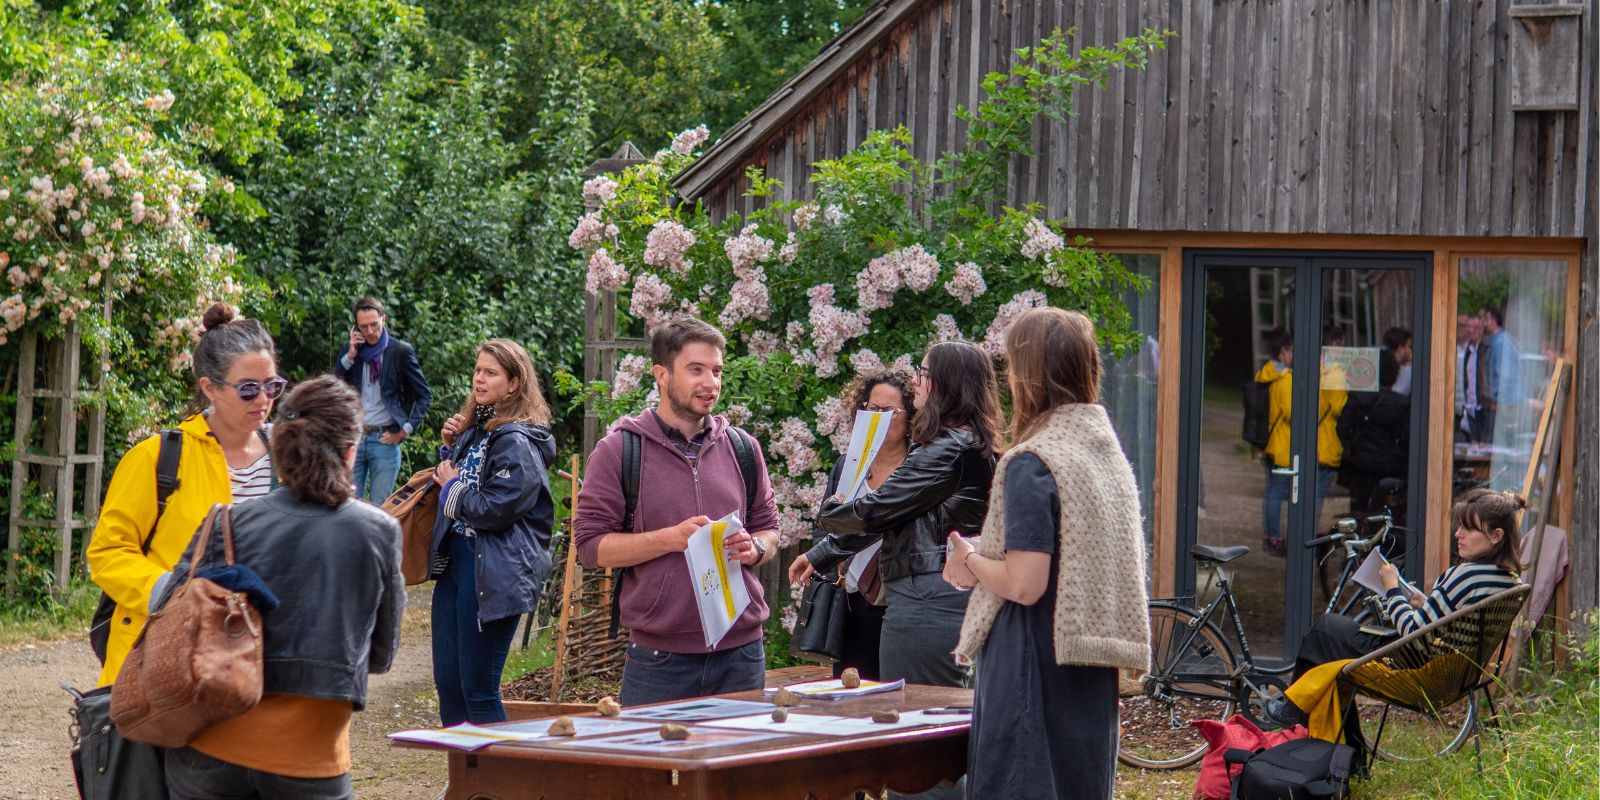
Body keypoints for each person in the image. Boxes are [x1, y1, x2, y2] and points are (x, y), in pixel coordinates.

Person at [159, 376, 405, 800]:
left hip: (207, 750)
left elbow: (167, 611)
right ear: (350, 452)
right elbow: (380, 655)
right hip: (309, 757)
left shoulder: (226, 522)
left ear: (281, 452)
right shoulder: (378, 532)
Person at [944, 308, 1150, 800]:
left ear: (1026, 373)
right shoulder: (1104, 452)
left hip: (1031, 661)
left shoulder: (1033, 461)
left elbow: (1024, 583)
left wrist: (968, 559)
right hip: (1086, 663)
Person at [573, 318, 781, 706]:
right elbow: (590, 547)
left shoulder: (743, 448)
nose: (711, 383)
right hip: (659, 659)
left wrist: (754, 547)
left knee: (737, 769)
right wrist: (669, 540)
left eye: (717, 371)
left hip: (743, 653)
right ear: (662, 375)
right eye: (696, 370)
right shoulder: (619, 451)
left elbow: (770, 531)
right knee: (645, 768)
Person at [86, 303, 282, 686]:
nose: (263, 400)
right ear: (209, 387)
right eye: (248, 389)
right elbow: (107, 553)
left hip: (262, 657)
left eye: (273, 386)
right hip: (165, 660)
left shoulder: (290, 457)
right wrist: (173, 593)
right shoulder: (157, 457)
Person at [1266, 489, 1525, 747]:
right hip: (1453, 675)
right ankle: (1339, 748)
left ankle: (1296, 719)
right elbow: (1456, 622)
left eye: (1469, 529)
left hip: (1413, 667)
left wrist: (1391, 590)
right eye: (1460, 527)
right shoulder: (1507, 580)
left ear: (1495, 536)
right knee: (1332, 641)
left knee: (1324, 631)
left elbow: (1412, 632)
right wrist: (1423, 602)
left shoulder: (1466, 574)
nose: (1458, 534)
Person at [814, 340, 1000, 689]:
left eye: (924, 374)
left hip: (925, 600)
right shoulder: (965, 443)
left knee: (920, 710)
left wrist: (831, 512)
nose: (916, 382)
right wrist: (822, 551)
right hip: (939, 592)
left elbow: (877, 510)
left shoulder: (948, 447)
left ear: (946, 385)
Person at [430, 339, 557, 725]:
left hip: (493, 571)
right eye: (478, 370)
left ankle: (502, 785)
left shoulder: (517, 440)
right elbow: (463, 480)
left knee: (479, 691)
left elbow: (495, 509)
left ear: (514, 383)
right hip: (459, 565)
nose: (478, 379)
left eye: (490, 372)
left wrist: (451, 485)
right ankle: (464, 784)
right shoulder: (482, 429)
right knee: (450, 687)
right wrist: (452, 447)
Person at [788, 369, 917, 680]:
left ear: (911, 415)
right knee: (849, 696)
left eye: (891, 412)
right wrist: (829, 567)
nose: (880, 418)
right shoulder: (849, 463)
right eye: (873, 410)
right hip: (848, 601)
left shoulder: (918, 465)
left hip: (896, 599)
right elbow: (825, 524)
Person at [1255, 325, 1346, 554]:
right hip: (1283, 443)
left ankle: (1272, 535)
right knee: (1278, 491)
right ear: (1284, 351)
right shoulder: (1285, 379)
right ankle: (1276, 538)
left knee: (1274, 490)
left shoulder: (1269, 373)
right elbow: (1291, 412)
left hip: (1274, 442)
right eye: (1292, 351)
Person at [332, 296, 433, 502]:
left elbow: (424, 395)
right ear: (355, 328)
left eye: (374, 325)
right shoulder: (351, 351)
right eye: (364, 327)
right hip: (354, 437)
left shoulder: (400, 351)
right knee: (347, 504)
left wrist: (404, 430)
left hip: (385, 439)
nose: (370, 332)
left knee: (381, 507)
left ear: (383, 321)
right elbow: (333, 387)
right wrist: (350, 356)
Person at [1337, 348, 1410, 517]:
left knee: (1360, 510)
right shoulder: (1401, 403)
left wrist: (1351, 447)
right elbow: (1407, 437)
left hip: (1361, 463)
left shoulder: (1357, 397)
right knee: (1388, 509)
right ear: (1394, 373)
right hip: (1390, 464)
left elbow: (1342, 427)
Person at [1478, 305, 1524, 446]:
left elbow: (1505, 377)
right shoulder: (1497, 342)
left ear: (1491, 320)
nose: (1482, 324)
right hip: (1502, 404)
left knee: (1498, 445)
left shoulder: (1501, 343)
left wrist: (1498, 402)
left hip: (1503, 406)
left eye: (1484, 320)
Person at [1460, 313, 1488, 443]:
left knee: (1485, 443)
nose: (1471, 330)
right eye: (1469, 327)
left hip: (1483, 407)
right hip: (1470, 406)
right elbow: (1467, 378)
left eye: (1475, 327)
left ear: (1482, 328)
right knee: (1473, 444)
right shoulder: (1468, 349)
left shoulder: (1486, 349)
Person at [1384, 327, 1413, 396]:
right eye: (1409, 346)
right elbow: (1398, 394)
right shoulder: (1408, 369)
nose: (1411, 351)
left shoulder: (1386, 367)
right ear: (1400, 349)